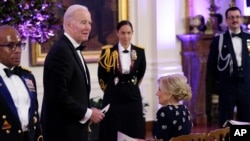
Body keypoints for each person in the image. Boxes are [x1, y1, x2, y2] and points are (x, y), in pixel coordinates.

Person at [41, 4, 104, 141]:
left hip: (73, 130)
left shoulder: (71, 48)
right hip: (63, 132)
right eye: (83, 23)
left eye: (89, 23)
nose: (88, 27)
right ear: (69, 25)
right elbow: (58, 95)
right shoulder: (61, 51)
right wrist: (88, 113)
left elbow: (74, 92)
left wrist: (87, 110)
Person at [98, 20, 147, 141]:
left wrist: (130, 87)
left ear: (132, 33)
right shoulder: (107, 52)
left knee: (133, 130)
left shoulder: (140, 52)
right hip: (114, 97)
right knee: (112, 131)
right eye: (123, 33)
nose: (126, 36)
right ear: (117, 33)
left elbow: (140, 74)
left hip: (132, 97)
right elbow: (102, 76)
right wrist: (111, 90)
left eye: (129, 33)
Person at [206, 6, 250, 127]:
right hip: (227, 86)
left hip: (246, 85)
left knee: (245, 119)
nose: (234, 20)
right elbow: (211, 66)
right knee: (226, 119)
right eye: (231, 17)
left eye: (237, 17)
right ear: (226, 20)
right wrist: (219, 84)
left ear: (241, 19)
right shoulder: (218, 40)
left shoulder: (249, 39)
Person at [0, 25, 42, 141]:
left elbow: (35, 117)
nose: (17, 50)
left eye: (19, 45)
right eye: (10, 46)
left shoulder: (27, 76)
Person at [152, 74, 193, 141]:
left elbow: (159, 137)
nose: (157, 93)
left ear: (169, 94)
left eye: (159, 90)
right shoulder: (185, 109)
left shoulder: (164, 112)